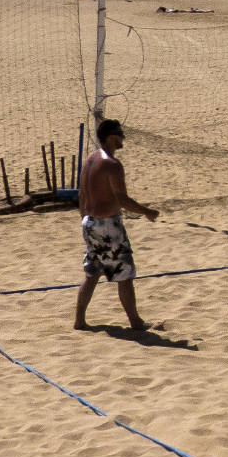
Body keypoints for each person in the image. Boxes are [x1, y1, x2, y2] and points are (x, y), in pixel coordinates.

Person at [74, 119, 160, 331]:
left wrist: (85, 220)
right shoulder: (112, 165)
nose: (123, 137)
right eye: (120, 134)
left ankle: (79, 320)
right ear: (111, 137)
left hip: (89, 223)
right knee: (125, 274)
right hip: (107, 227)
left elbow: (82, 195)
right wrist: (147, 211)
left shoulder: (90, 160)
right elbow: (122, 199)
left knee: (92, 273)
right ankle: (136, 322)